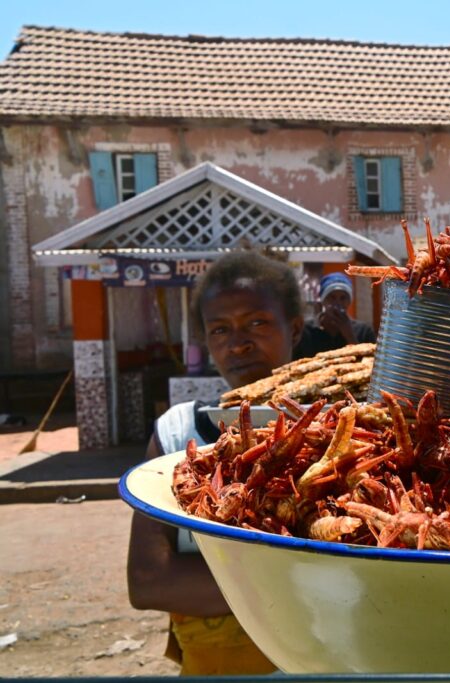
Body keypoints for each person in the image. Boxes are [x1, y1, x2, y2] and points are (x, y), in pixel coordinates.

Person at [127, 251, 304, 676]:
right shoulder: (178, 435)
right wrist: (306, 583)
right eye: (220, 329)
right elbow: (149, 580)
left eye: (257, 323)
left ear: (294, 329)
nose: (238, 343)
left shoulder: (340, 429)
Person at [293, 272, 376, 358]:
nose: (337, 303)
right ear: (323, 300)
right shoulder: (305, 330)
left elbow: (370, 361)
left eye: (343, 298)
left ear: (349, 301)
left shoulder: (364, 332)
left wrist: (349, 335)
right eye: (331, 297)